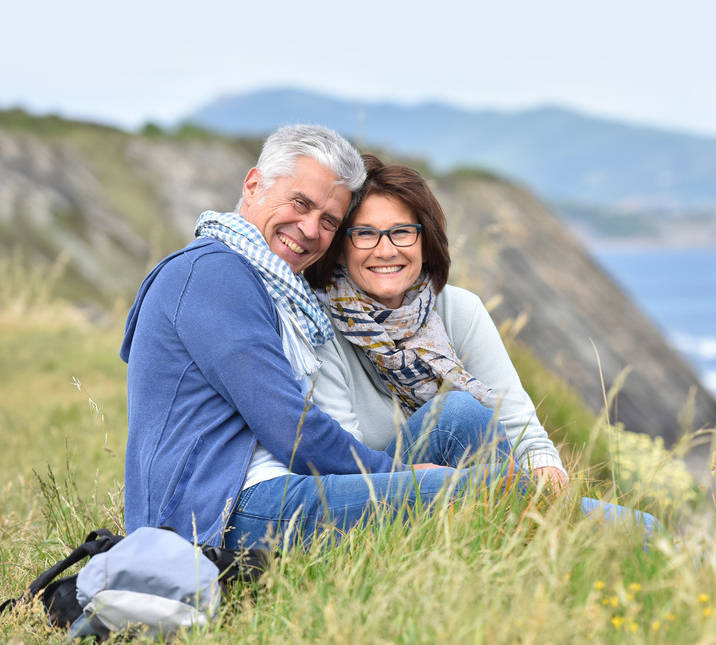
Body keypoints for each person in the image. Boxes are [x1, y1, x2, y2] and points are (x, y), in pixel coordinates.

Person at [120, 125, 511, 551]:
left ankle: (504, 557)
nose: (309, 229)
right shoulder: (213, 273)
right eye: (300, 203)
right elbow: (293, 430)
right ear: (253, 186)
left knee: (457, 415)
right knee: (479, 491)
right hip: (224, 511)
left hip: (280, 488)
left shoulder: (274, 286)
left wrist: (397, 476)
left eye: (329, 221)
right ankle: (582, 524)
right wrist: (401, 475)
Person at [305, 155, 569, 490]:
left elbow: (521, 430)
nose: (385, 251)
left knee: (643, 527)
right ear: (341, 249)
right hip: (374, 495)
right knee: (456, 414)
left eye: (401, 232)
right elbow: (343, 462)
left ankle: (524, 524)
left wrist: (549, 479)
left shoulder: (458, 308)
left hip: (456, 489)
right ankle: (517, 523)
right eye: (365, 234)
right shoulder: (318, 323)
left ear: (426, 245)